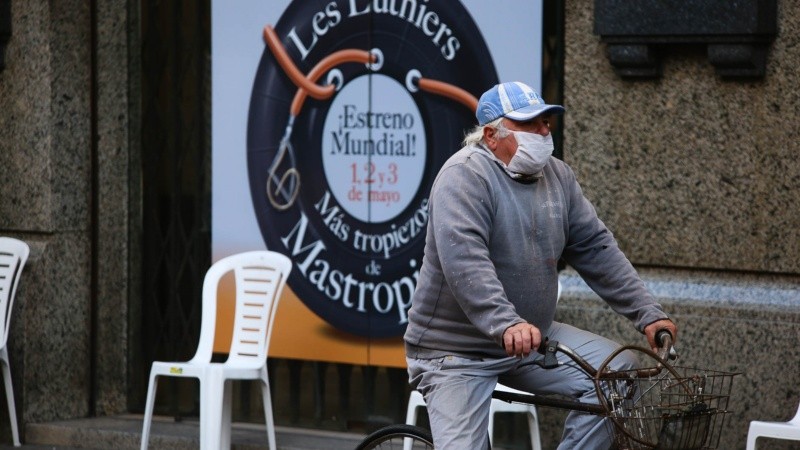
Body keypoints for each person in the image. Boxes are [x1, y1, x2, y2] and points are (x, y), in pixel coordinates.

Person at [403, 81, 678, 449]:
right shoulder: (464, 176)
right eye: (531, 124)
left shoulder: (558, 176)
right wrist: (507, 323)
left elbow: (596, 247)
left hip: (530, 340)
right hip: (456, 354)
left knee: (617, 374)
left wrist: (647, 313)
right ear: (491, 135)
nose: (544, 131)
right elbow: (465, 261)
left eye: (546, 122)